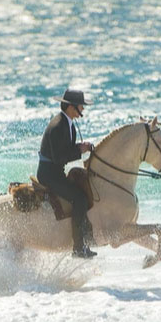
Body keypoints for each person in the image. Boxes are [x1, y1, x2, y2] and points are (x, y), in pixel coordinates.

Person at [37, 89, 97, 258]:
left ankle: (86, 235)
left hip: (56, 172)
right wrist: (80, 150)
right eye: (81, 106)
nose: (83, 110)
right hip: (49, 175)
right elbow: (58, 158)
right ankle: (78, 247)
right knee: (80, 198)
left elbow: (64, 151)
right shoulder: (58, 126)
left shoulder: (68, 123)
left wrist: (80, 147)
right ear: (72, 107)